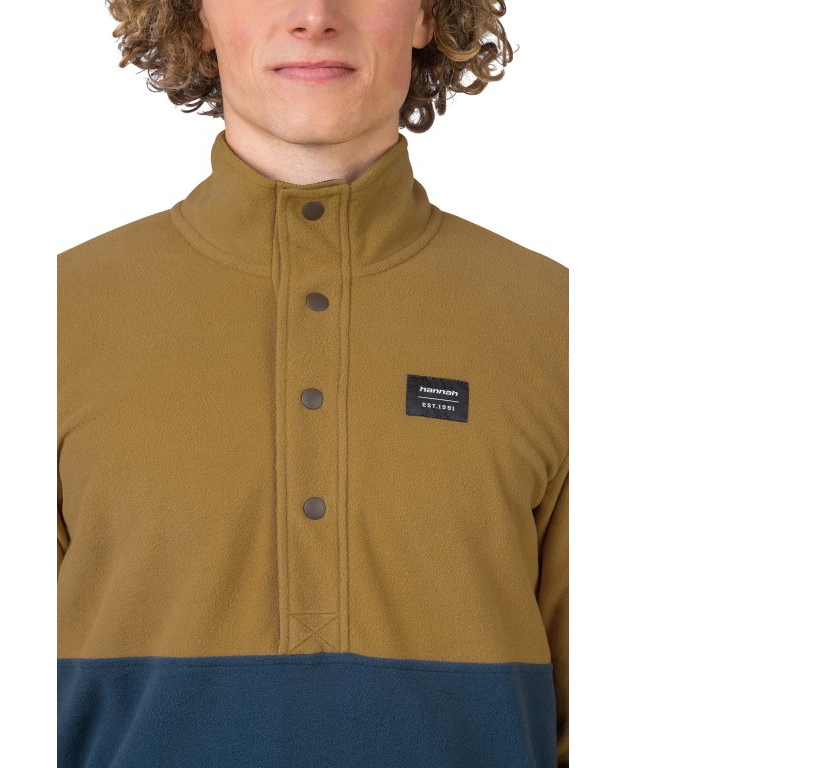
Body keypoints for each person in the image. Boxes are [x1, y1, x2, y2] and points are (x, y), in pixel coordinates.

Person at [57, 1, 568, 766]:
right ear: (195, 19)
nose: (313, 15)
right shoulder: (58, 317)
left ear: (428, 16)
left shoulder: (558, 322)